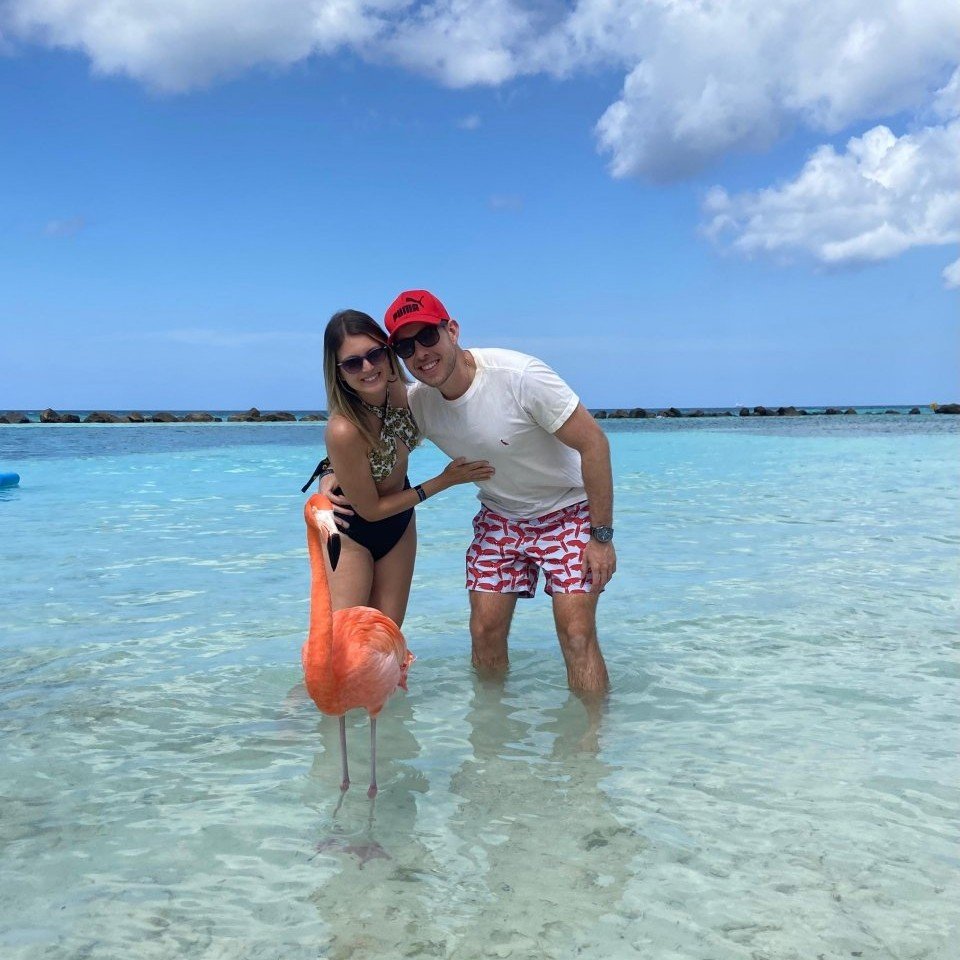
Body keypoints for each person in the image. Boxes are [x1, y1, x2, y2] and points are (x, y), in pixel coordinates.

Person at [324, 292, 615, 693]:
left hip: (567, 509)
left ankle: (593, 733)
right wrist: (330, 471)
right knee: (484, 631)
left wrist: (601, 537)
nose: (420, 353)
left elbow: (594, 443)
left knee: (577, 633)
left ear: (452, 330)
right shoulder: (420, 402)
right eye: (406, 347)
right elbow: (366, 436)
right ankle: (490, 728)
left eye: (427, 336)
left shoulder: (519, 376)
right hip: (500, 514)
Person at [314, 309, 493, 627]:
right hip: (350, 527)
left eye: (375, 354)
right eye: (353, 363)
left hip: (399, 521)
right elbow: (370, 510)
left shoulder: (408, 395)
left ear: (388, 351)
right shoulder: (343, 428)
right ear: (338, 372)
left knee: (387, 638)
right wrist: (445, 480)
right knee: (347, 639)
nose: (368, 368)